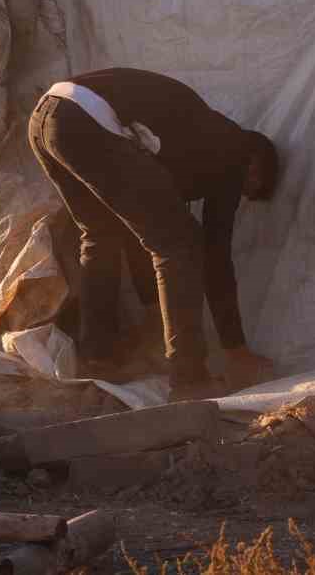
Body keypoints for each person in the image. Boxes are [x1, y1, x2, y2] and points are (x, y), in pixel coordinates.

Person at [27, 67, 281, 398]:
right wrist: (235, 349)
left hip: (46, 118)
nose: (239, 194)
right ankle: (190, 380)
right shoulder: (231, 149)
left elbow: (140, 231)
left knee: (101, 235)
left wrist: (152, 312)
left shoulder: (190, 145)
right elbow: (212, 252)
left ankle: (99, 359)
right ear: (255, 163)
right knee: (180, 243)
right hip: (86, 117)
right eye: (250, 186)